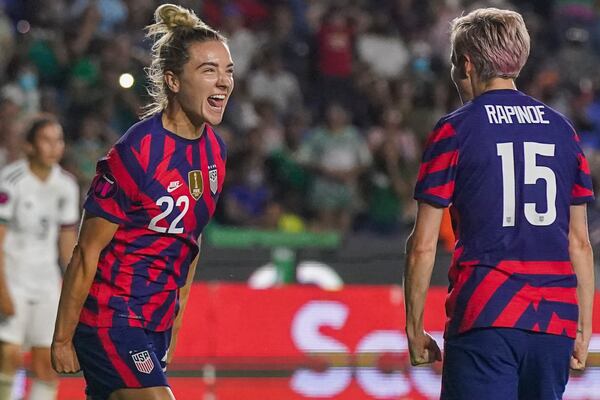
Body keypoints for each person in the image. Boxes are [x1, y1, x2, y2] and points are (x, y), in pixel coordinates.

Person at [403, 8, 595, 400]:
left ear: (468, 64)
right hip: (554, 323)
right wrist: (584, 328)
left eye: (456, 64)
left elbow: (423, 245)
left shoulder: (455, 129)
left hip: (487, 314)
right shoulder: (563, 130)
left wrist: (414, 328)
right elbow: (579, 242)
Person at [50, 4, 233, 400]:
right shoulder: (137, 152)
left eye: (228, 71)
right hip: (109, 317)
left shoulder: (215, 153)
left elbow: (190, 244)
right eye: (209, 70)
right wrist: (63, 338)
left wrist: (175, 325)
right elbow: (86, 252)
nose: (223, 82)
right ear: (173, 80)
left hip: (154, 322)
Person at [0, 115, 79, 400]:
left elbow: (67, 245)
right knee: (8, 354)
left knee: (47, 362)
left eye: (58, 140)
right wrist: (2, 290)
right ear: (30, 146)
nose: (54, 147)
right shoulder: (11, 181)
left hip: (46, 284)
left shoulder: (66, 186)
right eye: (46, 140)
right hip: (13, 279)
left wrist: (74, 291)